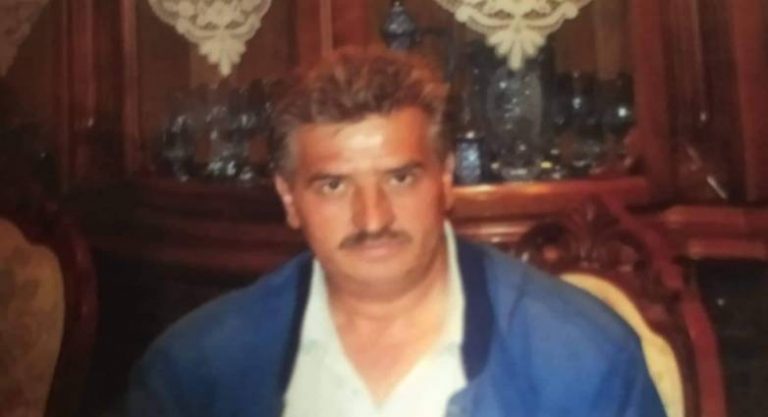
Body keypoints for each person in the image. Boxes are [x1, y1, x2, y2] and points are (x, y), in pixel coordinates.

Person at [124, 48, 666, 417]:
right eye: (334, 186)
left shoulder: (582, 357)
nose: (373, 219)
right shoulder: (195, 371)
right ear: (290, 199)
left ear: (445, 180)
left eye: (400, 178)